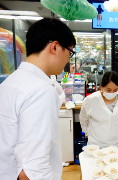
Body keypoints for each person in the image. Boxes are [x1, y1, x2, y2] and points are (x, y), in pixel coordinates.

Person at [0, 18, 76, 180]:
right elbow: (33, 169)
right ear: (55, 47)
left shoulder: (11, 82)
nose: (68, 59)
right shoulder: (40, 89)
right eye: (70, 52)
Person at [80, 71, 118, 148]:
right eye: (108, 90)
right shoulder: (91, 100)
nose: (112, 92)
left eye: (115, 90)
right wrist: (86, 132)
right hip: (96, 145)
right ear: (101, 86)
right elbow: (83, 119)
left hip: (115, 144)